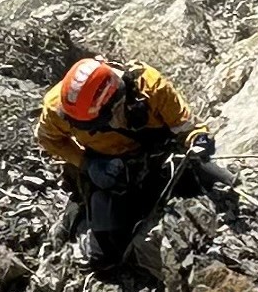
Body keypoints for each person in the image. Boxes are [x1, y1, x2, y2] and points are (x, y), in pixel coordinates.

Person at [37, 55, 219, 274]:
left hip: (159, 156)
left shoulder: (150, 86)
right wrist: (87, 164)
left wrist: (199, 141)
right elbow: (49, 139)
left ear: (116, 102)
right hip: (109, 169)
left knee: (223, 187)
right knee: (105, 256)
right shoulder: (59, 108)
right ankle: (82, 222)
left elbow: (187, 127)